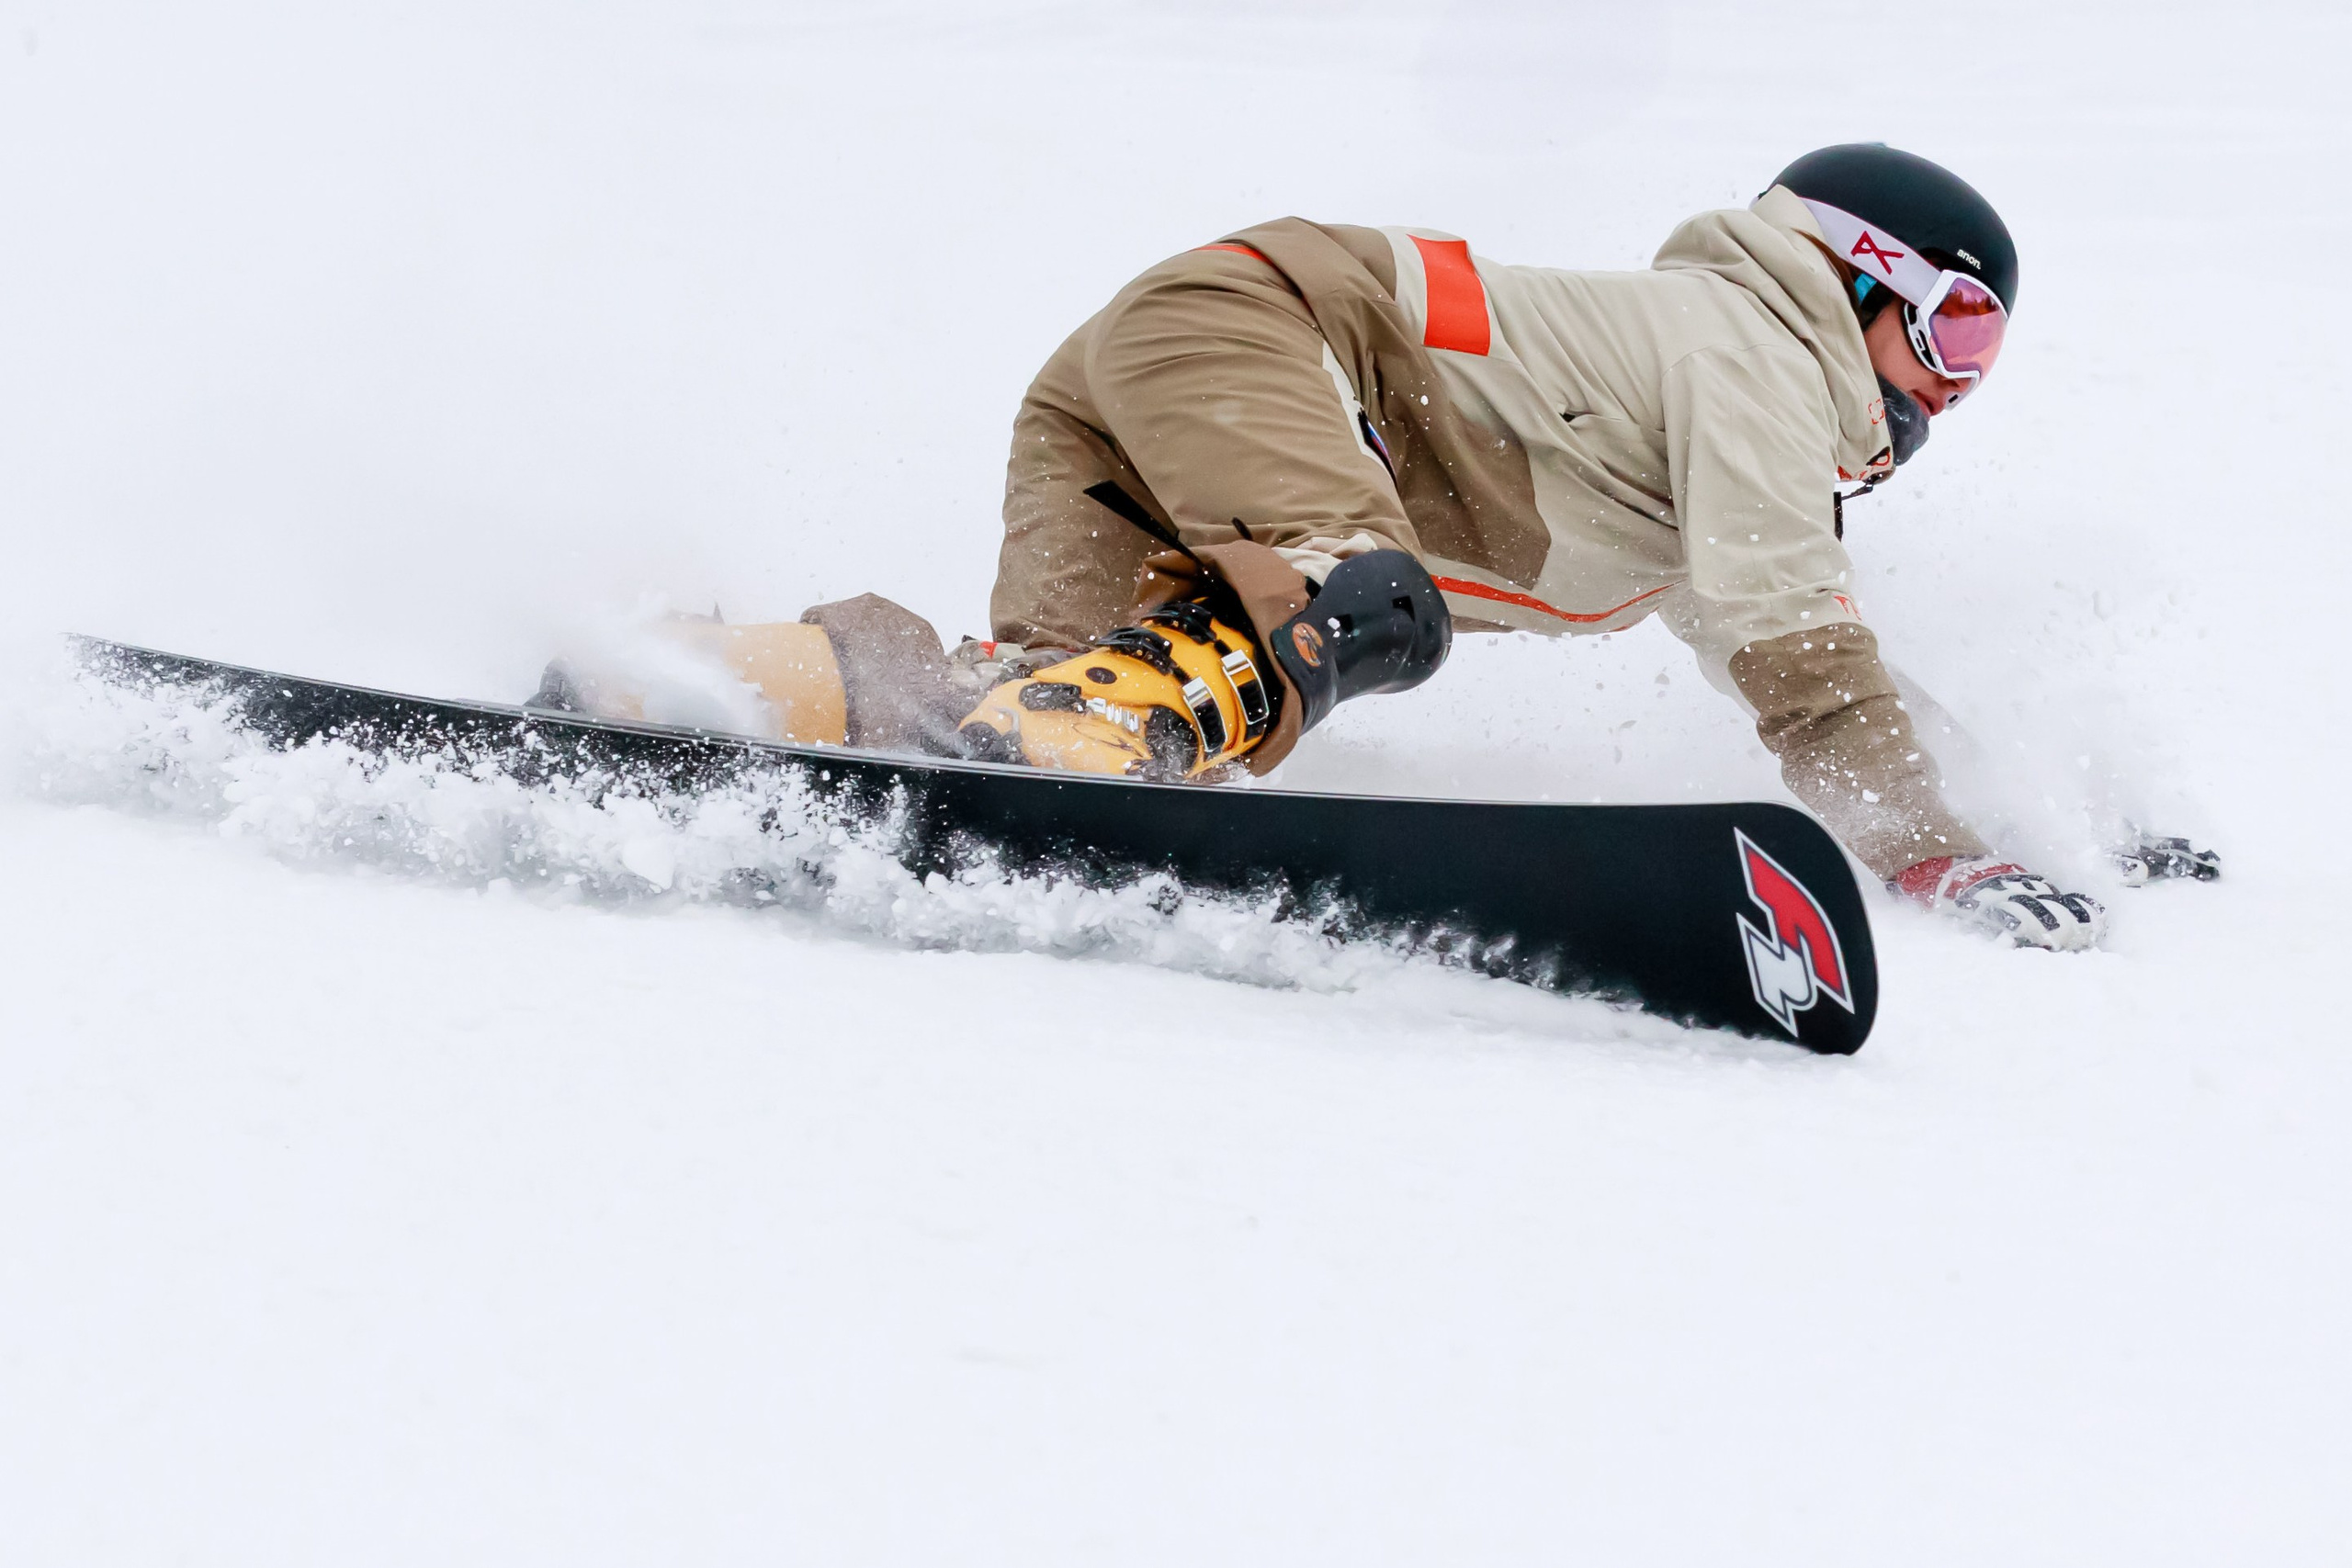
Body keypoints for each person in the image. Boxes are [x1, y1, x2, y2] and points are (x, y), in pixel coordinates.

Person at [539, 143, 2217, 949]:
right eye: (1957, 333)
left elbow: (1808, 656)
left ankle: (710, 676)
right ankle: (1062, 746)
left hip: (1141, 369)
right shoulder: (1761, 348)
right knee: (1361, 611)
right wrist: (1934, 859)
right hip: (1261, 329)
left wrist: (2028, 817)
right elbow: (1806, 650)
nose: (1951, 389)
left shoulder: (1716, 440)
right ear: (1854, 278)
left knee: (1059, 683)